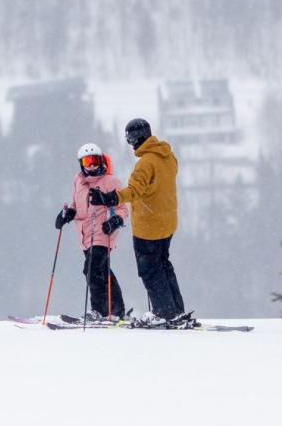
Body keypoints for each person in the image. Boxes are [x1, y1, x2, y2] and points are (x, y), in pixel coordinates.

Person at [88, 118, 185, 323]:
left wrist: (110, 198)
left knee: (150, 270)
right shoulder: (168, 157)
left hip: (149, 226)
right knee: (164, 265)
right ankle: (176, 310)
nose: (130, 144)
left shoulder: (145, 164)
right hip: (167, 222)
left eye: (129, 138)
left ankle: (164, 312)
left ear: (136, 138)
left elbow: (134, 191)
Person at [55, 143, 129, 320]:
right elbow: (75, 204)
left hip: (102, 233)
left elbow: (123, 209)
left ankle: (99, 310)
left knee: (91, 269)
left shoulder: (111, 182)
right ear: (81, 164)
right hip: (85, 235)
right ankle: (117, 310)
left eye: (95, 160)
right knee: (102, 270)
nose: (92, 166)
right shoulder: (78, 181)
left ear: (101, 160)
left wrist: (115, 221)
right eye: (87, 162)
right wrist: (67, 214)